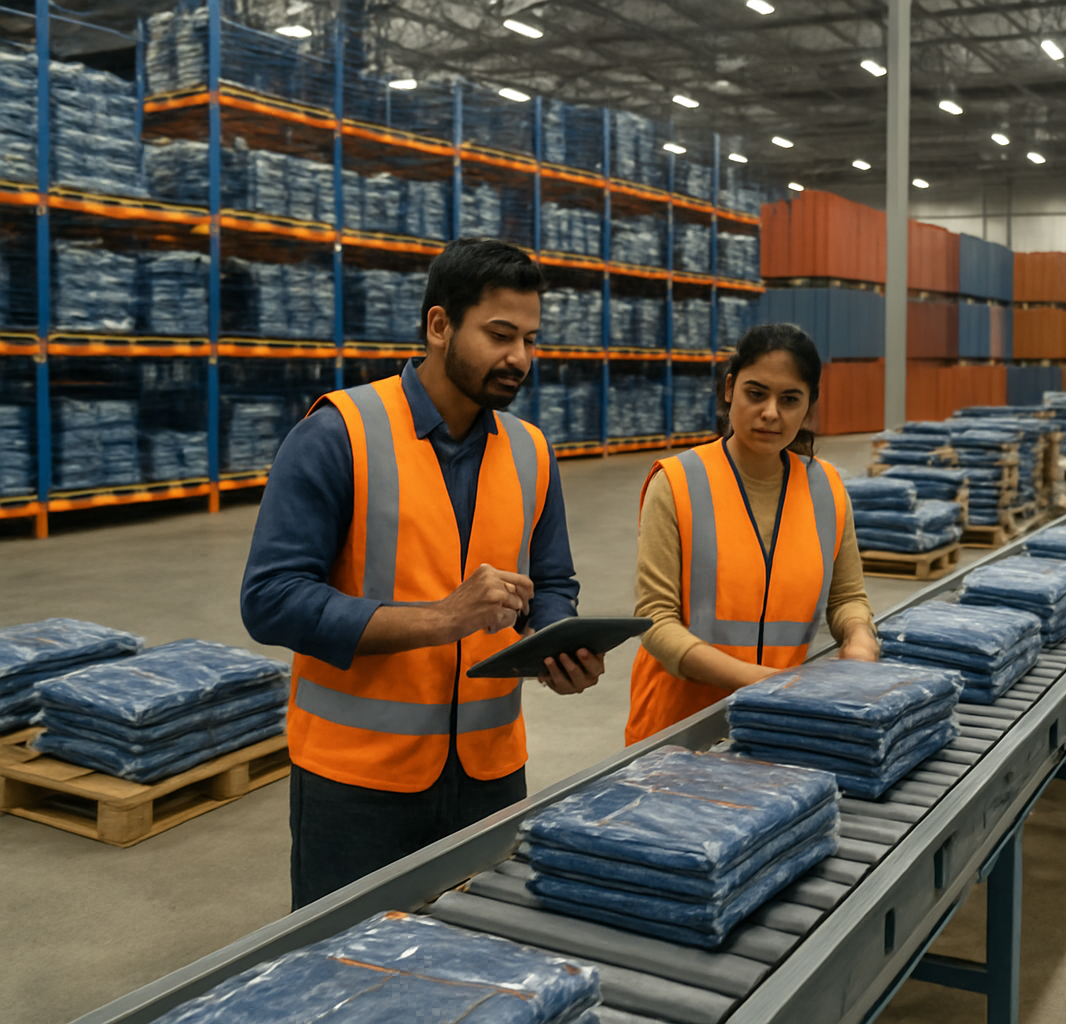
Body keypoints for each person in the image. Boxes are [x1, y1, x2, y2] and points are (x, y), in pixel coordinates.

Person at [240, 239, 604, 909]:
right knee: (348, 980)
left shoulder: (530, 451)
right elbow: (270, 600)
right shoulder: (338, 433)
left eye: (530, 339)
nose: (520, 359)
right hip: (358, 782)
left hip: (491, 771)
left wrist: (558, 642)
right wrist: (443, 618)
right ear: (439, 326)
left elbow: (553, 583)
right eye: (500, 335)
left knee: (478, 969)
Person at [626, 323, 878, 744]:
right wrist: (767, 682)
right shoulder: (678, 482)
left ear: (809, 406)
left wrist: (859, 637)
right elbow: (654, 620)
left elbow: (847, 597)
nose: (771, 413)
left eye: (790, 399)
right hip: (680, 732)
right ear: (729, 389)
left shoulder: (827, 488)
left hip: (776, 726)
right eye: (756, 393)